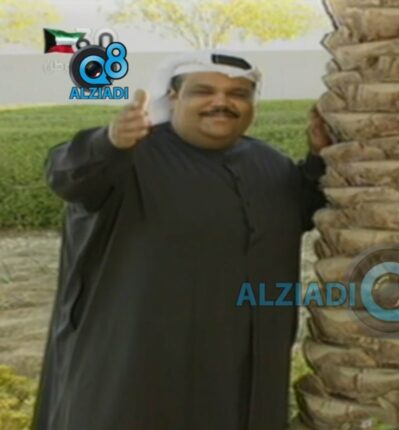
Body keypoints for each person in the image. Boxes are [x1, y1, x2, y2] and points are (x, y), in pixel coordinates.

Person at [33, 50, 332, 430]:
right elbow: (67, 173)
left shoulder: (270, 164)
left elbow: (301, 208)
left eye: (238, 94)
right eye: (203, 91)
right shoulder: (129, 158)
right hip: (140, 373)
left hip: (243, 373)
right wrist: (109, 141)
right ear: (173, 97)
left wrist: (320, 156)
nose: (221, 102)